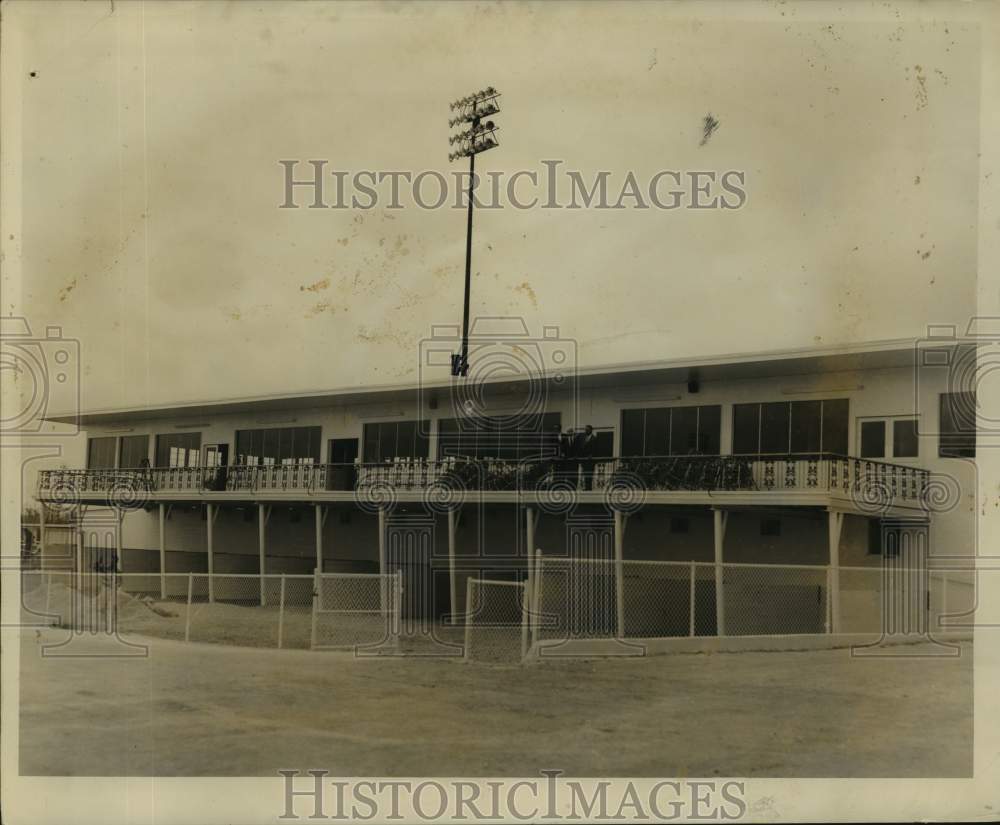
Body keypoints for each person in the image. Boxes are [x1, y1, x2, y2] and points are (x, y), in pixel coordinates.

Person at [574, 425, 598, 490]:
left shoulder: (594, 438)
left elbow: (596, 449)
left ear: (591, 430)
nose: (586, 431)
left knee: (589, 475)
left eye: (587, 429)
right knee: (584, 474)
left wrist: (592, 455)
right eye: (585, 429)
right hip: (583, 460)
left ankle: (588, 488)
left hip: (590, 461)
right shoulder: (582, 438)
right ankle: (585, 487)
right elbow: (580, 447)